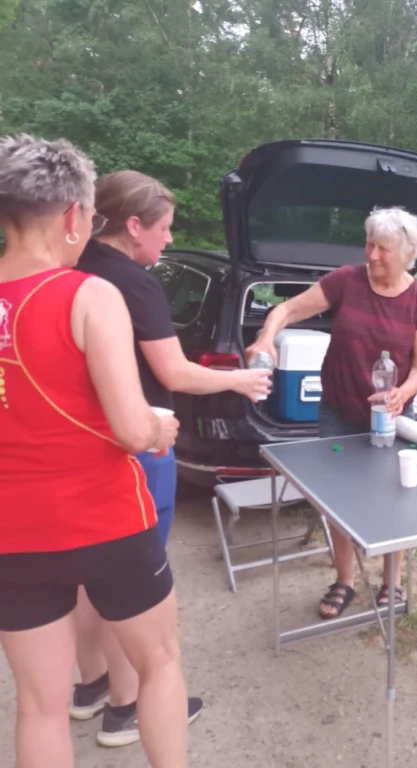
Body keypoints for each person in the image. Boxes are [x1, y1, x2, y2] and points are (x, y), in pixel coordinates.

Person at [0, 134, 190, 767]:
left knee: (40, 706)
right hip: (105, 520)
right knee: (159, 665)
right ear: (74, 216)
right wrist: (161, 429)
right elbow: (134, 429)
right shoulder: (88, 295)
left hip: (12, 532)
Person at [69, 169, 272, 746]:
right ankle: (127, 708)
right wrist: (241, 380)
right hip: (136, 446)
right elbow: (173, 372)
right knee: (130, 585)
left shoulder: (75, 266)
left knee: (89, 575)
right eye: (163, 229)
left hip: (85, 443)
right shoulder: (133, 284)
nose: (167, 240)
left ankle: (91, 687)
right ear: (133, 226)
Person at [245, 206, 417, 619]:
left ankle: (392, 581)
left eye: (383, 249)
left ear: (408, 252)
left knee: (394, 499)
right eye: (369, 244)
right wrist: (266, 338)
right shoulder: (346, 281)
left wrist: (401, 393)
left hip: (389, 416)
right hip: (337, 409)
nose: (371, 255)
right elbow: (286, 310)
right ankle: (345, 579)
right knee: (335, 499)